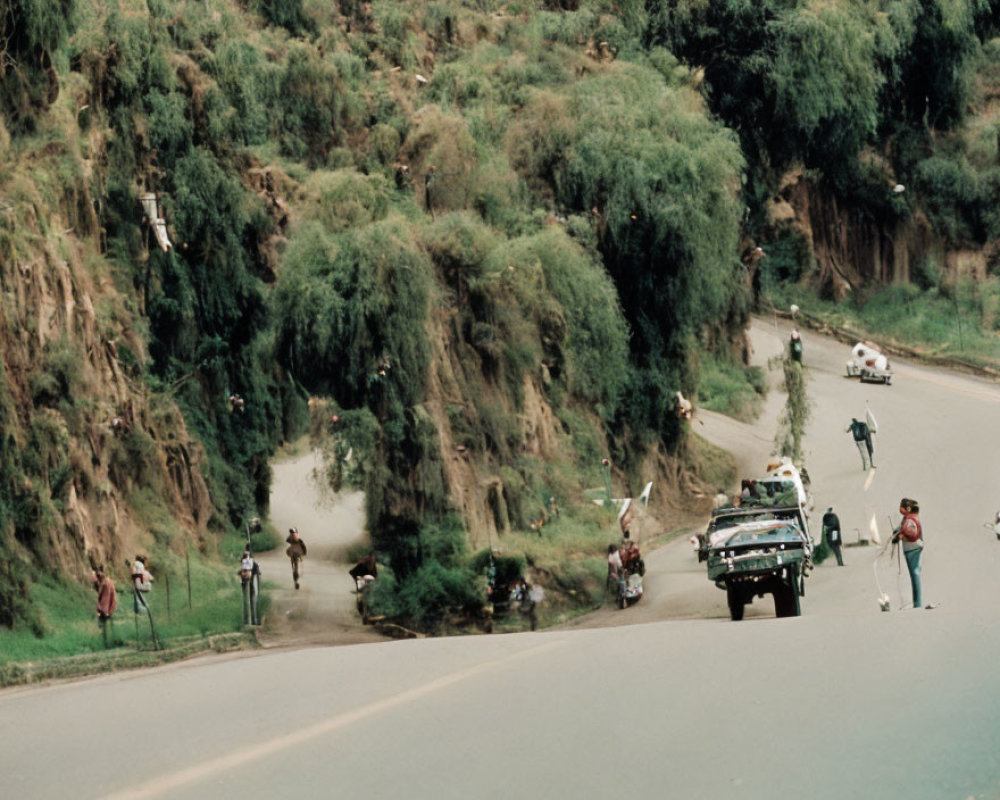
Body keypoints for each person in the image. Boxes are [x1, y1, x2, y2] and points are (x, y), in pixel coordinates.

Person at [892, 497, 923, 609]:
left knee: (915, 574)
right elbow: (902, 528)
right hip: (910, 548)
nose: (899, 508)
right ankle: (917, 602)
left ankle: (918, 603)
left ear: (907, 508)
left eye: (901, 506)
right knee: (914, 574)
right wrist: (897, 532)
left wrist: (901, 536)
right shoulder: (907, 518)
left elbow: (912, 534)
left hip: (912, 548)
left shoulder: (910, 519)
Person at [94, 569, 117, 647]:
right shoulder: (109, 581)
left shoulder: (104, 583)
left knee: (103, 626)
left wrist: (99, 609)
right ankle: (111, 641)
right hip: (110, 607)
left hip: (105, 608)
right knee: (109, 625)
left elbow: (103, 598)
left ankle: (105, 643)